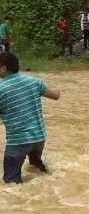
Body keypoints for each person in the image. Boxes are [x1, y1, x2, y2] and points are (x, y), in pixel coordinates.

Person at [0, 52, 61, 183]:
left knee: (11, 183)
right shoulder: (34, 81)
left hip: (18, 141)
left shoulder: (1, 89)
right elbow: (56, 95)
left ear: (4, 68)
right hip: (39, 137)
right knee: (36, 167)